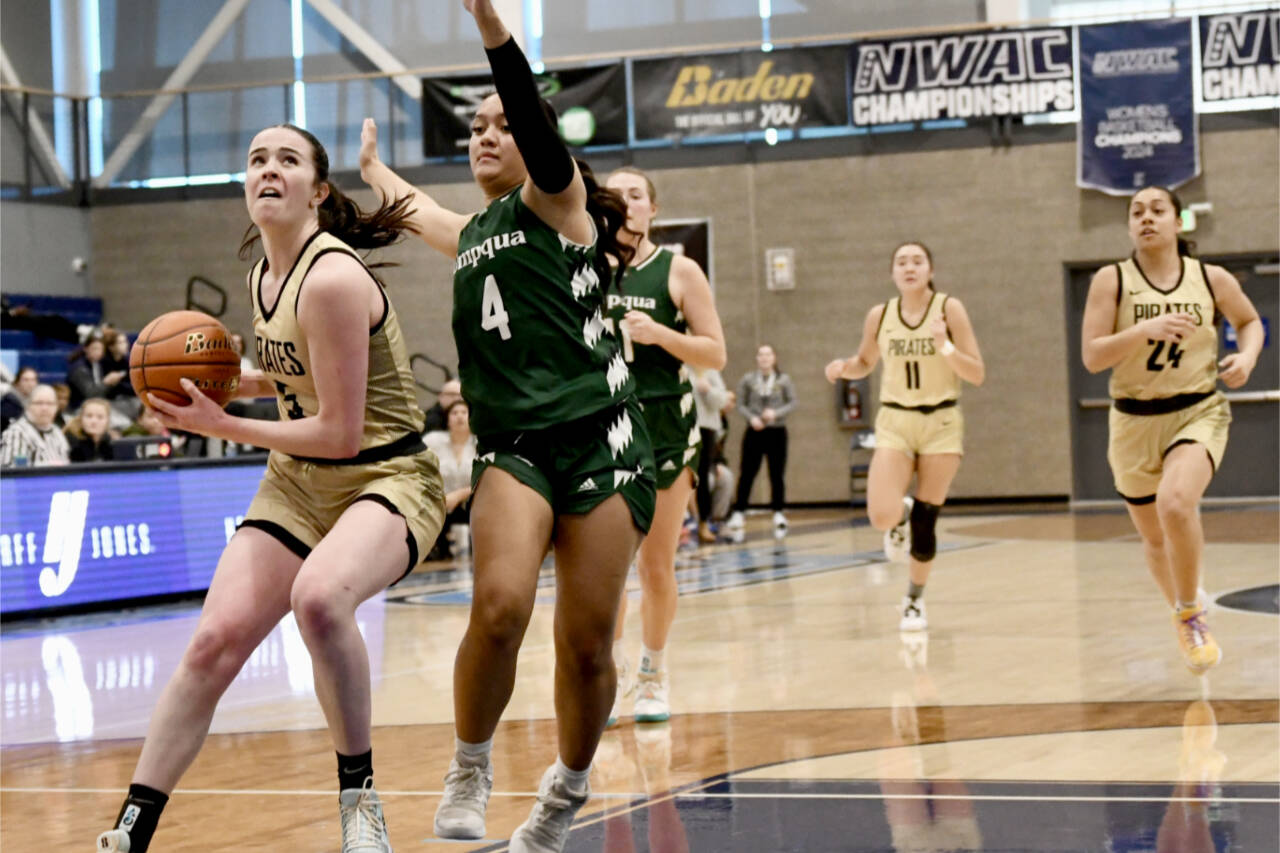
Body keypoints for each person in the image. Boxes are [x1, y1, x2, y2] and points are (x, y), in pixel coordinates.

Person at [94, 122, 446, 853]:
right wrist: (220, 382)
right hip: (298, 484)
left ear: (318, 190)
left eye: (287, 159)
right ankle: (132, 826)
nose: (268, 170)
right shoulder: (263, 273)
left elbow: (339, 433)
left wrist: (221, 421)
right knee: (211, 643)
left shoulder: (334, 278)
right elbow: (296, 376)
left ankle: (360, 798)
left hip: (387, 477)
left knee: (319, 599)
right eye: (256, 159)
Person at [359, 3, 656, 848]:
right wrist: (375, 173)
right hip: (515, 448)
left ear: (537, 142)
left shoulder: (561, 206)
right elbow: (417, 210)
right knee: (496, 605)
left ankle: (564, 790)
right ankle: (471, 761)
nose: (487, 133)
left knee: (589, 645)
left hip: (603, 442)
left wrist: (491, 26)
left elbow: (527, 107)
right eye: (475, 126)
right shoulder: (470, 232)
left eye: (501, 124)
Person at [1080, 186, 1261, 674]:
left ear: (1178, 222)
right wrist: (1143, 330)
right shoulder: (1110, 280)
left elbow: (1249, 322)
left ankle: (1189, 616)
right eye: (1136, 211)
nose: (1146, 218)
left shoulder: (1211, 278)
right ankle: (1186, 603)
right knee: (1155, 538)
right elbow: (1093, 356)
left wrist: (1246, 355)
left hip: (1197, 410)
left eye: (1158, 210)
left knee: (1176, 503)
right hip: (1133, 421)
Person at [603, 165, 726, 726]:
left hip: (665, 424)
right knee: (604, 567)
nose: (626, 203)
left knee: (655, 564)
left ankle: (654, 671)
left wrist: (662, 336)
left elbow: (714, 353)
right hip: (603, 425)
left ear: (652, 209)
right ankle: (609, 669)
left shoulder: (679, 270)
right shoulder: (585, 269)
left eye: (636, 194)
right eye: (616, 195)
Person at [824, 241, 985, 632]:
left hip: (941, 421)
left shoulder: (949, 309)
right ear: (892, 273)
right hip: (895, 418)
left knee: (927, 522)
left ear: (930, 270)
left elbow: (977, 373)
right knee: (881, 514)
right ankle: (903, 513)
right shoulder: (880, 315)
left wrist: (944, 345)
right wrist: (845, 367)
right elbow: (865, 361)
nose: (909, 267)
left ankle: (914, 599)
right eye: (901, 262)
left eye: (917, 261)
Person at [725, 345, 796, 541]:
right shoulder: (748, 380)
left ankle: (778, 512)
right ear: (757, 359)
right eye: (761, 355)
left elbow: (792, 402)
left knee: (777, 473)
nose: (764, 358)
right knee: (747, 472)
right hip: (754, 431)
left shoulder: (784, 380)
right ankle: (739, 512)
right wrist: (751, 418)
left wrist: (776, 413)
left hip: (777, 431)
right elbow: (740, 404)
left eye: (768, 355)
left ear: (774, 358)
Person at [423, 397, 478, 558]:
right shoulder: (432, 440)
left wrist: (460, 494)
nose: (460, 416)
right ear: (448, 420)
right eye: (455, 413)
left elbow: (487, 478)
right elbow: (419, 468)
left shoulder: (480, 443)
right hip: (439, 499)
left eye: (464, 412)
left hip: (472, 500)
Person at [690, 367, 730, 543]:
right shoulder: (679, 365)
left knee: (703, 477)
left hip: (706, 427)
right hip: (682, 427)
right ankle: (683, 523)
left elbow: (722, 401)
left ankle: (703, 522)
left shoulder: (710, 370)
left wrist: (708, 391)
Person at [0, 384, 70, 467]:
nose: (45, 408)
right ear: (28, 406)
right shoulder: (17, 433)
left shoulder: (57, 432)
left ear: (56, 407)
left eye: (50, 404)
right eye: (39, 403)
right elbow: (12, 471)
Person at [65, 396, 116, 462]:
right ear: (81, 419)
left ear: (108, 421)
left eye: (100, 417)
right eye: (89, 416)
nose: (94, 421)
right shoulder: (71, 443)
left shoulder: (110, 443)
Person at [1, 365, 39, 433]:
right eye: (26, 380)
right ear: (17, 382)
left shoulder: (35, 402)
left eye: (33, 380)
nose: (30, 384)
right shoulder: (7, 405)